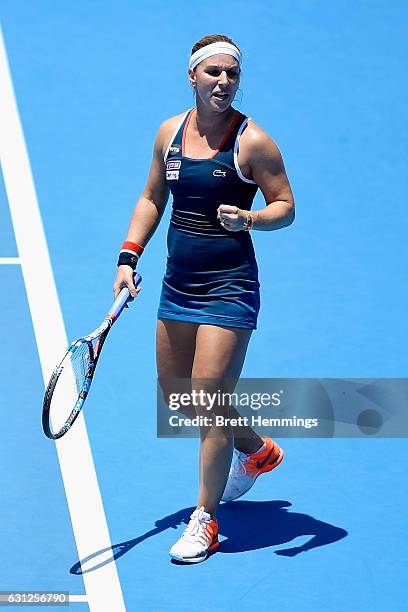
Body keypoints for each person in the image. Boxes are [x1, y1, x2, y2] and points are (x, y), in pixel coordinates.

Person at [113, 33, 295, 563]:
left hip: (230, 287)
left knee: (208, 397)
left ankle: (205, 520)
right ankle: (256, 451)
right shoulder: (170, 134)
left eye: (231, 74)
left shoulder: (253, 143)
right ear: (192, 77)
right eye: (213, 73)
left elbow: (286, 205)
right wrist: (128, 256)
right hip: (177, 284)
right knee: (181, 399)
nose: (223, 82)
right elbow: (152, 197)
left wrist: (252, 218)